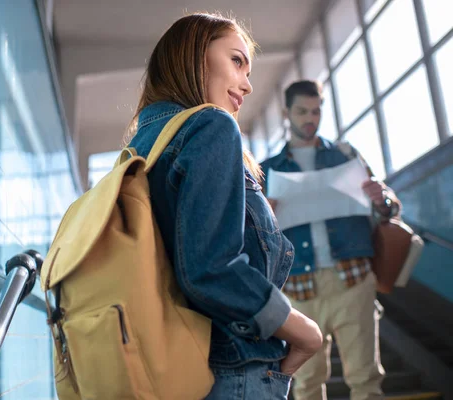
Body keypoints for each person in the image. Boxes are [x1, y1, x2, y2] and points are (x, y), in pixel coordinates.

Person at [126, 13, 323, 399]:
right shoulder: (211, 126)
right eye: (237, 61)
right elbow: (210, 269)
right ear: (196, 54)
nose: (247, 86)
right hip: (234, 368)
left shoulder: (141, 147)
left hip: (174, 366)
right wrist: (303, 331)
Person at [261, 80, 402, 400]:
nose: (310, 118)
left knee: (365, 378)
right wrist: (265, 217)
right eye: (302, 111)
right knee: (307, 383)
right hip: (299, 289)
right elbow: (254, 240)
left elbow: (389, 209)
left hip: (353, 280)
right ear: (286, 113)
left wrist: (383, 200)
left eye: (316, 111)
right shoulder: (267, 171)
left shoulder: (346, 155)